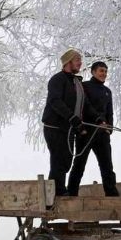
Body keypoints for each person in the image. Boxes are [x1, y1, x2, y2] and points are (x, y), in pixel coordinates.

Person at [41, 49, 103, 196]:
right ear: (68, 62)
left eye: (80, 60)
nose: (80, 63)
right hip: (55, 127)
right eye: (77, 60)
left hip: (69, 128)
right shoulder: (57, 79)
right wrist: (71, 117)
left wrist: (98, 118)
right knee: (59, 160)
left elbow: (85, 104)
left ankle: (58, 191)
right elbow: (55, 101)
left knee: (67, 160)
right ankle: (57, 194)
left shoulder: (77, 82)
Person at [66, 61, 120, 197]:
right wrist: (96, 121)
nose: (104, 74)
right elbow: (85, 106)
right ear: (93, 72)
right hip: (86, 131)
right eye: (101, 71)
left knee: (107, 166)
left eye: (106, 72)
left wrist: (109, 128)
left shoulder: (108, 92)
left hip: (102, 134)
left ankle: (112, 193)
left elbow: (110, 113)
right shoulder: (84, 87)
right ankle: (71, 193)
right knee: (79, 164)